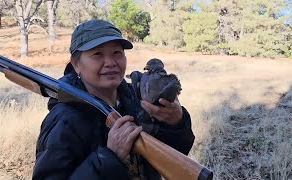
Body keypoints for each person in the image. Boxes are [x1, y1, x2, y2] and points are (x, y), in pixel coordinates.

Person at [32, 19, 195, 180]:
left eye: (117, 53)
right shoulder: (64, 120)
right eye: (97, 54)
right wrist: (109, 157)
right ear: (76, 64)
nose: (110, 63)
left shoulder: (138, 98)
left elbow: (175, 154)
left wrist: (176, 123)